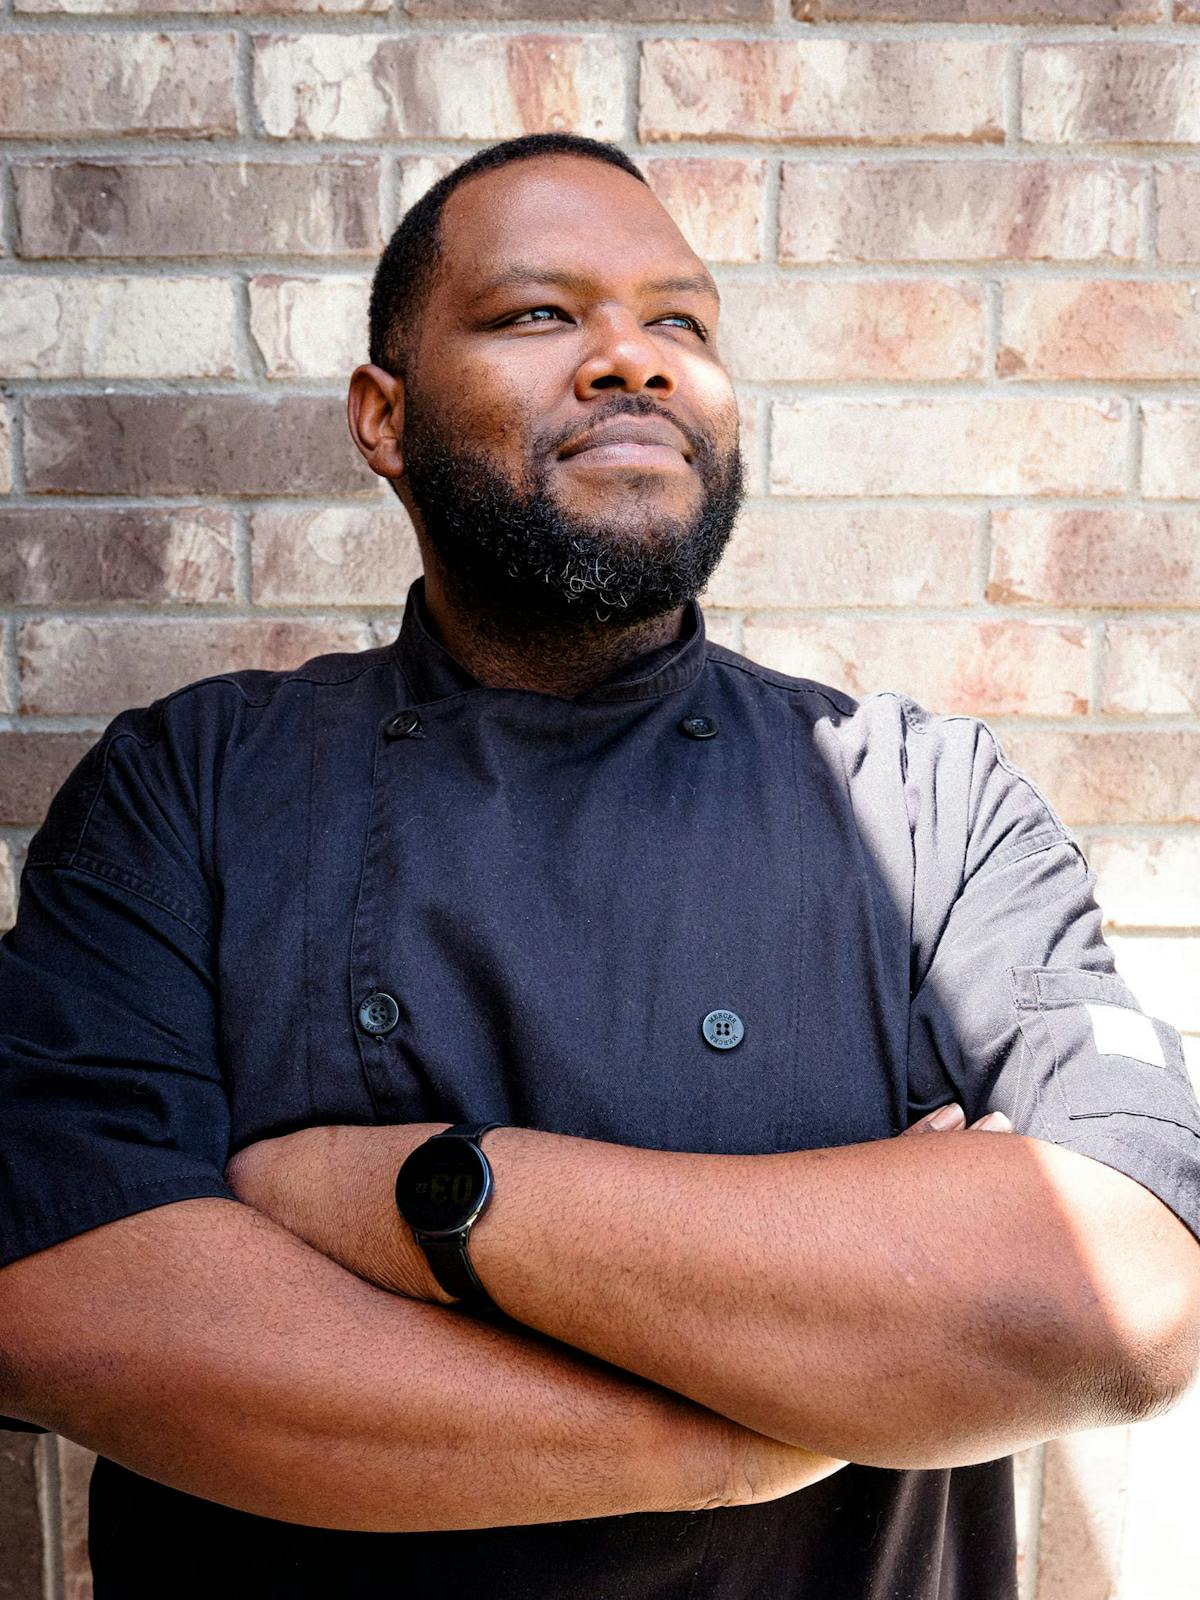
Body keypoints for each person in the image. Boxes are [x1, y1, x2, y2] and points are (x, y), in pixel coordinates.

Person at [1, 131, 1198, 1600]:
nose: (633, 361)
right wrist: (738, 1438)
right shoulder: (187, 789)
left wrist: (419, 1195)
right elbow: (73, 1304)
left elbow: (1126, 1293)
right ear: (383, 418)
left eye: (680, 322)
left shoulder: (931, 803)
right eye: (538, 316)